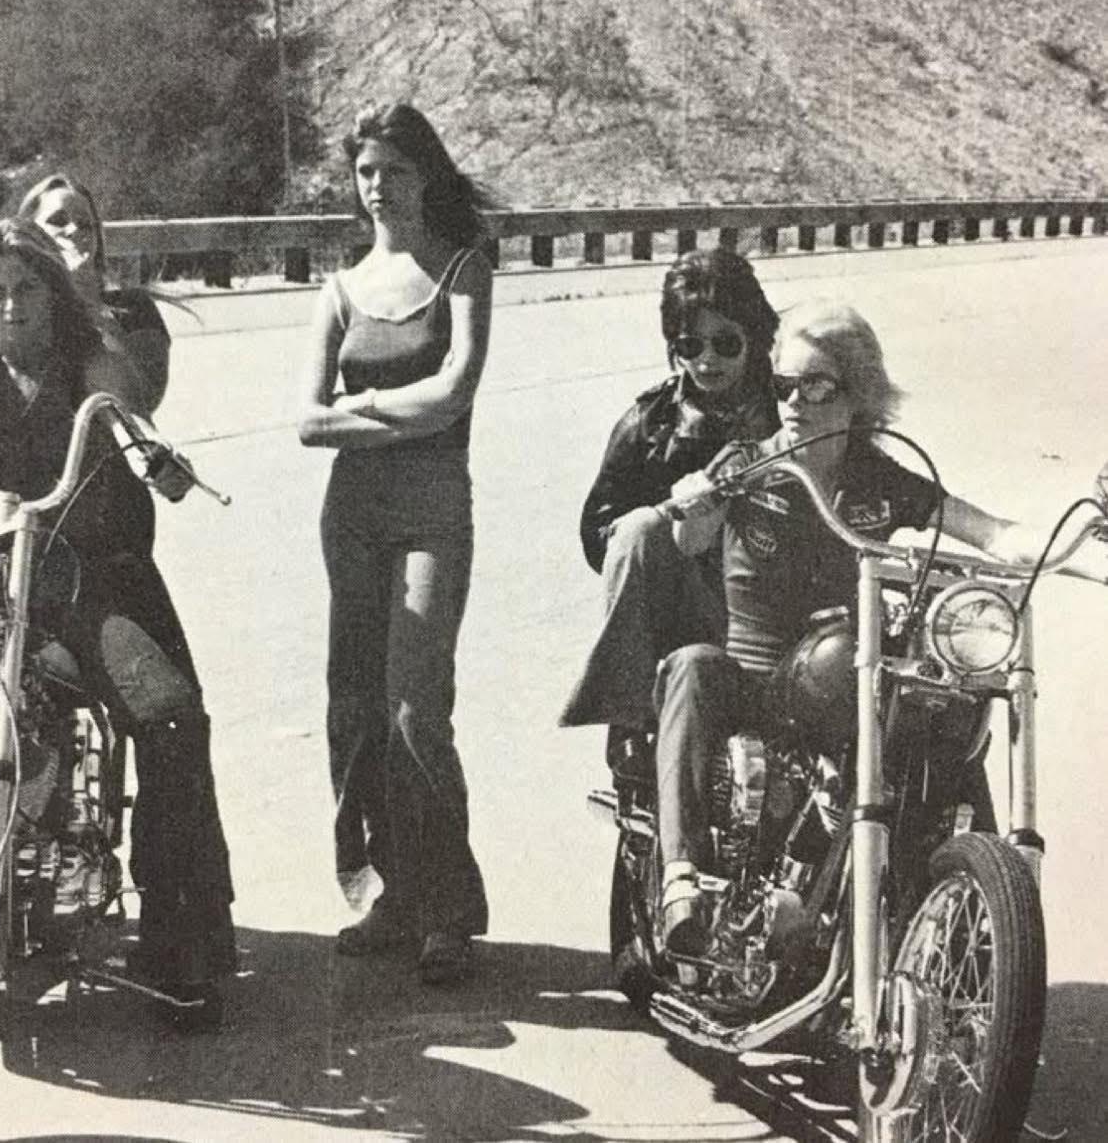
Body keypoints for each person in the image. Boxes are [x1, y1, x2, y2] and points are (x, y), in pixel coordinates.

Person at [570, 299, 1041, 953]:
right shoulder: (749, 463)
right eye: (783, 384)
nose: (793, 401)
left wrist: (1068, 544)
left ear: (857, 395)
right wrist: (696, 501)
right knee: (693, 665)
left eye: (815, 386)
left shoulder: (880, 479)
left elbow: (988, 531)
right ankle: (681, 879)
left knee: (943, 703)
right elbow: (689, 537)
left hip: (838, 679)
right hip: (752, 681)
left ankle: (966, 910)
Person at [0, 218, 235, 1022]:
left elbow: (125, 416)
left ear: (53, 293)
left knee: (171, 721)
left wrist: (151, 455)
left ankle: (177, 946)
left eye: (26, 288)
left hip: (85, 585)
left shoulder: (87, 365)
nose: (11, 305)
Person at [297, 102, 494, 984]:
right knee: (356, 709)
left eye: (396, 171)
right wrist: (396, 414)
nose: (379, 187)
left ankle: (447, 910)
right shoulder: (341, 288)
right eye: (366, 171)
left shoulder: (462, 269)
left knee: (417, 708)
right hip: (351, 516)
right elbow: (308, 422)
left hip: (433, 512)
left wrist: (365, 407)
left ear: (428, 175)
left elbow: (454, 394)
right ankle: (389, 893)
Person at [561, 248, 779, 740]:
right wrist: (667, 519)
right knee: (638, 528)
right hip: (688, 594)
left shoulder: (792, 406)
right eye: (690, 345)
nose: (707, 359)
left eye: (725, 343)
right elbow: (598, 534)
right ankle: (629, 721)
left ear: (755, 335)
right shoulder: (649, 423)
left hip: (772, 583)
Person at [17, 173, 171, 416]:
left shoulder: (135, 307)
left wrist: (88, 300)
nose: (74, 230)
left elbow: (142, 399)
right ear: (28, 234)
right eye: (58, 221)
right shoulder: (13, 308)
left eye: (85, 224)